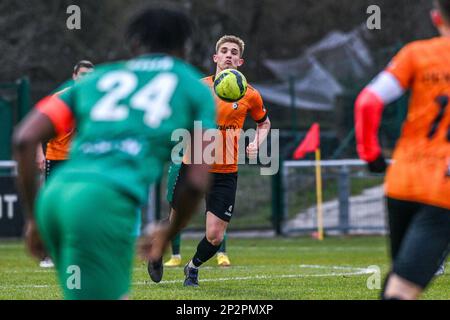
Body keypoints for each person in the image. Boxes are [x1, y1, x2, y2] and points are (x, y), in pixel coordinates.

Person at [13, 7, 215, 299]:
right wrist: (167, 234)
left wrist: (34, 219)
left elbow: (23, 138)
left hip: (54, 198)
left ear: (133, 46)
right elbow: (196, 182)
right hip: (101, 204)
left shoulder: (98, 78)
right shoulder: (194, 88)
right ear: (185, 48)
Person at [150, 35, 271, 286]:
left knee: (215, 237)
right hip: (194, 164)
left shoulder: (250, 95)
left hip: (226, 171)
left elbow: (264, 123)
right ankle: (156, 250)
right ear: (215, 58)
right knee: (176, 222)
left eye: (233, 52)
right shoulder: (199, 88)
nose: (228, 55)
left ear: (240, 60)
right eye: (224, 51)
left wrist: (256, 143)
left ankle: (192, 267)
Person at [354, 0, 450, 300]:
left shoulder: (416, 54)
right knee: (404, 288)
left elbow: (368, 102)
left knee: (401, 277)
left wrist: (371, 155)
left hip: (403, 181)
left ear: (436, 18)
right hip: (442, 190)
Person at [36, 60, 94, 268]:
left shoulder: (94, 99)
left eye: (90, 75)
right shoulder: (60, 98)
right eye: (83, 74)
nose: (86, 79)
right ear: (74, 76)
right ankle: (49, 254)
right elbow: (35, 127)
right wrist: (38, 153)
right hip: (56, 158)